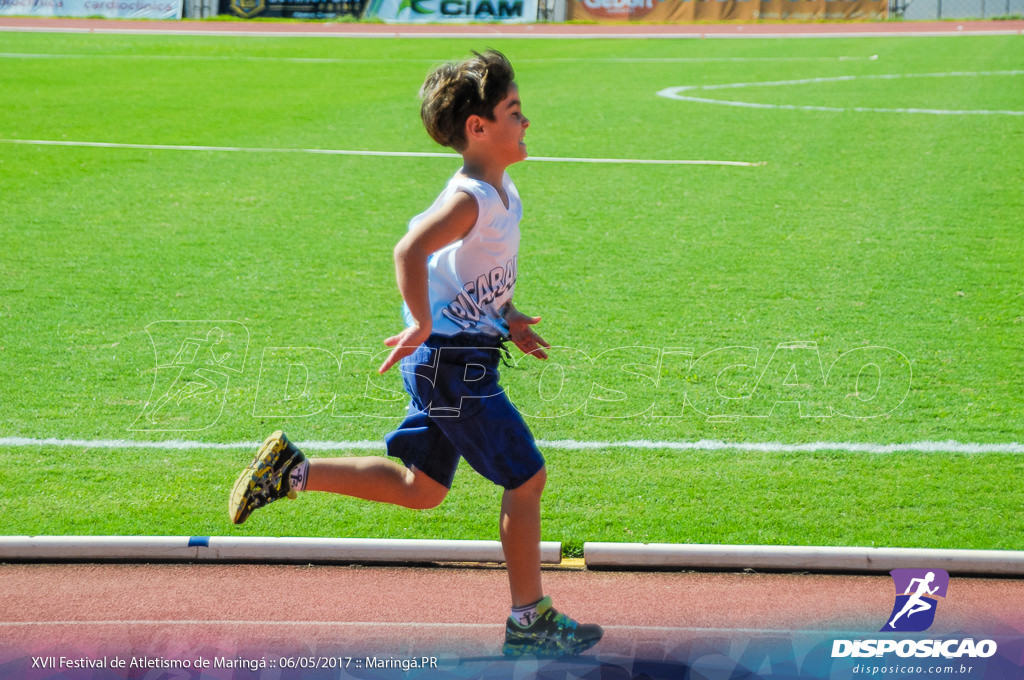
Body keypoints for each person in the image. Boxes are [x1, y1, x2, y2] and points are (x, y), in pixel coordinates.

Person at [229, 49, 603, 658]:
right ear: (479, 128)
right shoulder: (469, 198)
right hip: (452, 366)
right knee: (526, 478)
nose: (526, 121)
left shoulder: (502, 191)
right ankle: (528, 620)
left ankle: (290, 470)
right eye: (514, 111)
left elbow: (464, 272)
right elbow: (409, 251)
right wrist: (424, 323)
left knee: (422, 488)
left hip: (459, 356)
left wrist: (506, 317)